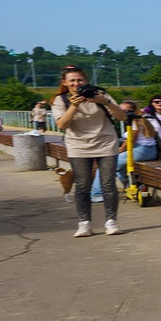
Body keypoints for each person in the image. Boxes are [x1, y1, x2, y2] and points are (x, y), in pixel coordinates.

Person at [50, 65, 125, 237]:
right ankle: (84, 223)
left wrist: (104, 102)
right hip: (78, 145)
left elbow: (122, 117)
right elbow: (62, 125)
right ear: (65, 83)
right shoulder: (60, 100)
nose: (77, 83)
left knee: (108, 184)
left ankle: (111, 221)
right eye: (72, 81)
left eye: (80, 80)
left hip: (106, 142)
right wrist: (74, 106)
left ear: (86, 81)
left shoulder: (100, 94)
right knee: (83, 185)